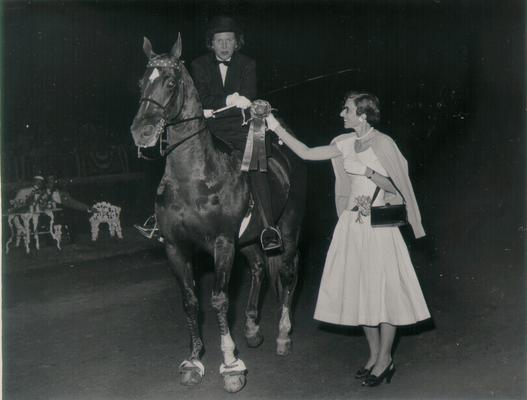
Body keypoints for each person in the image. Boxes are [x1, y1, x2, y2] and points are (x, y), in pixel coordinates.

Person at [265, 92, 430, 386]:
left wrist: (367, 171)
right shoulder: (343, 143)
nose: (342, 114)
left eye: (347, 110)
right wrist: (272, 124)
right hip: (352, 225)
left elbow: (399, 186)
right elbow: (305, 152)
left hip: (379, 228)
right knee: (361, 290)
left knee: (384, 291)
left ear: (363, 115)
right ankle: (374, 354)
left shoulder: (383, 143)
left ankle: (385, 359)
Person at [135, 15, 282, 251]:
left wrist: (237, 101)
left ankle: (268, 227)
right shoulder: (199, 65)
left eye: (229, 40)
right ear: (211, 43)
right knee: (175, 158)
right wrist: (227, 100)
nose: (224, 46)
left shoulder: (248, 64)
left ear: (237, 43)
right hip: (208, 127)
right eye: (219, 41)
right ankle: (160, 220)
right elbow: (200, 97)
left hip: (240, 128)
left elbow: (249, 94)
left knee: (256, 163)